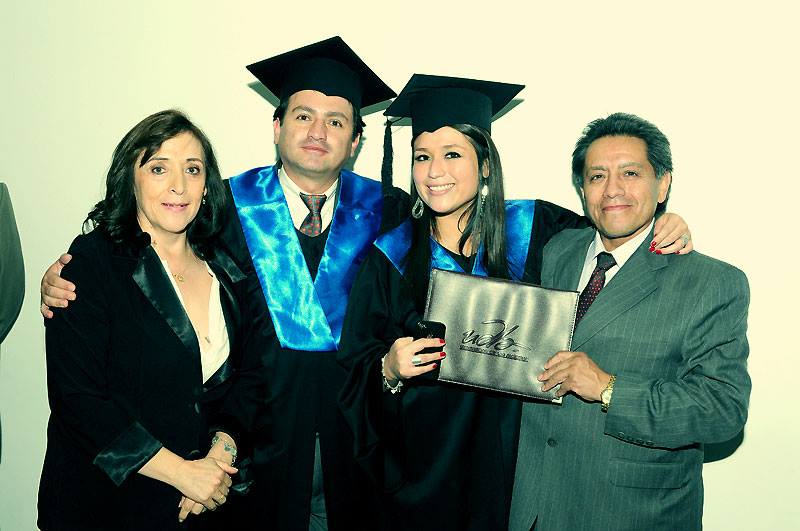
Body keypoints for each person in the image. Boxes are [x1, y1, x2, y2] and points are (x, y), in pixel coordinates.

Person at [40, 37, 398, 531]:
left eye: (336, 121)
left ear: (355, 141)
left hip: (347, 453)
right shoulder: (223, 211)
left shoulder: (392, 215)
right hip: (248, 468)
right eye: (302, 115)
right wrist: (60, 279)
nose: (318, 132)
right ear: (277, 126)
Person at [336, 75, 693, 530]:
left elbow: (614, 227)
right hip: (422, 477)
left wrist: (666, 221)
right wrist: (387, 370)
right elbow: (353, 371)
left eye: (452, 154)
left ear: (486, 164)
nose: (434, 171)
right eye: (422, 156)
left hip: (519, 476)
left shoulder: (537, 229)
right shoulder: (391, 256)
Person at [508, 113, 751, 531]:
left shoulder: (712, 282)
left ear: (663, 184)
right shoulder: (553, 250)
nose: (612, 189)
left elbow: (722, 410)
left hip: (631, 514)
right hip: (531, 509)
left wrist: (608, 388)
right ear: (582, 190)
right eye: (597, 176)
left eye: (631, 173)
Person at [37, 110, 249, 530]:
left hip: (200, 506)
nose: (178, 185)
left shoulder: (226, 268)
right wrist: (182, 473)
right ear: (129, 180)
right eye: (158, 168)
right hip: (106, 507)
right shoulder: (91, 263)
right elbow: (77, 400)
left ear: (208, 186)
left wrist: (219, 457)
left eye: (193, 169)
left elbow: (247, 380)